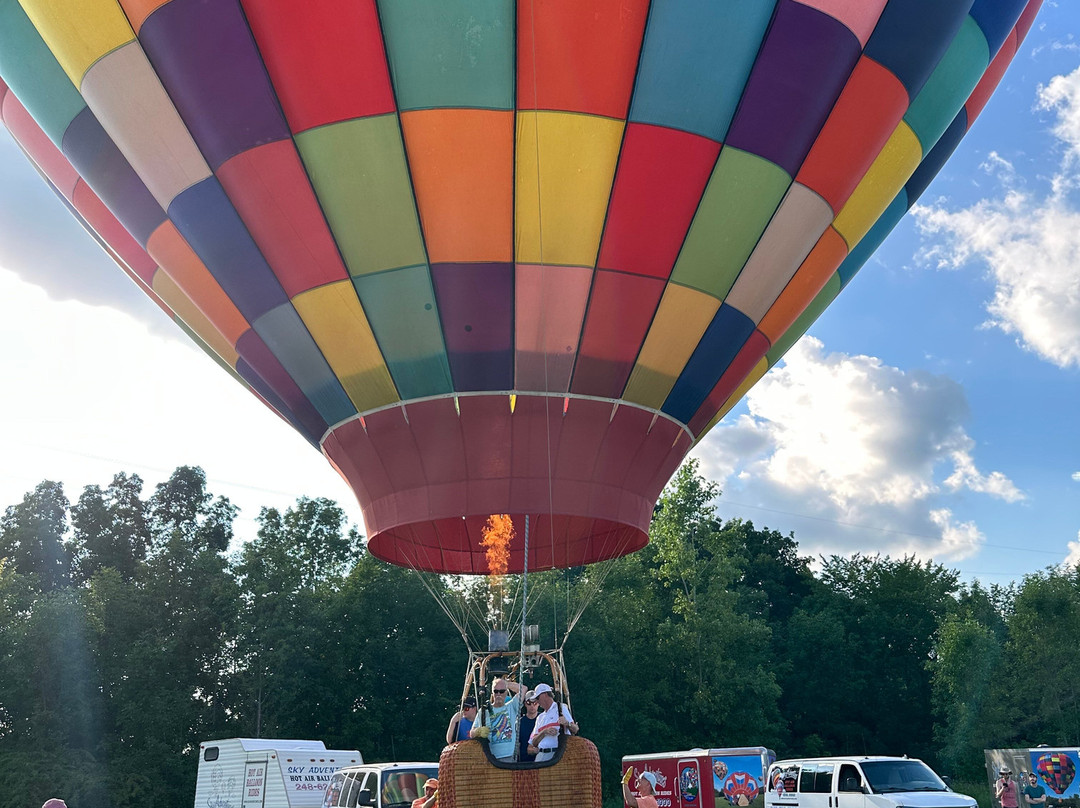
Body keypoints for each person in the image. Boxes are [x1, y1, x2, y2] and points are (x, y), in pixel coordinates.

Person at [470, 677, 523, 761]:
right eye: (496, 691)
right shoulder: (484, 711)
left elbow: (523, 689)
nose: (498, 694)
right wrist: (478, 731)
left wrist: (506, 684)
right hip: (490, 758)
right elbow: (471, 733)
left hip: (509, 756)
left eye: (502, 691)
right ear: (492, 693)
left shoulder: (512, 706)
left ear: (506, 692)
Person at [527, 682, 578, 763]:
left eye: (538, 698)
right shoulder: (540, 717)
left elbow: (575, 729)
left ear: (545, 694)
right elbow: (533, 742)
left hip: (558, 755)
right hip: (541, 755)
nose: (537, 701)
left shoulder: (561, 708)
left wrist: (567, 723)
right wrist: (544, 732)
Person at [518, 690, 540, 763]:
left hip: (541, 760)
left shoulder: (543, 719)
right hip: (524, 762)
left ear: (538, 703)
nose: (532, 706)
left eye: (535, 703)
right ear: (525, 704)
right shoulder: (520, 722)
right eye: (529, 703)